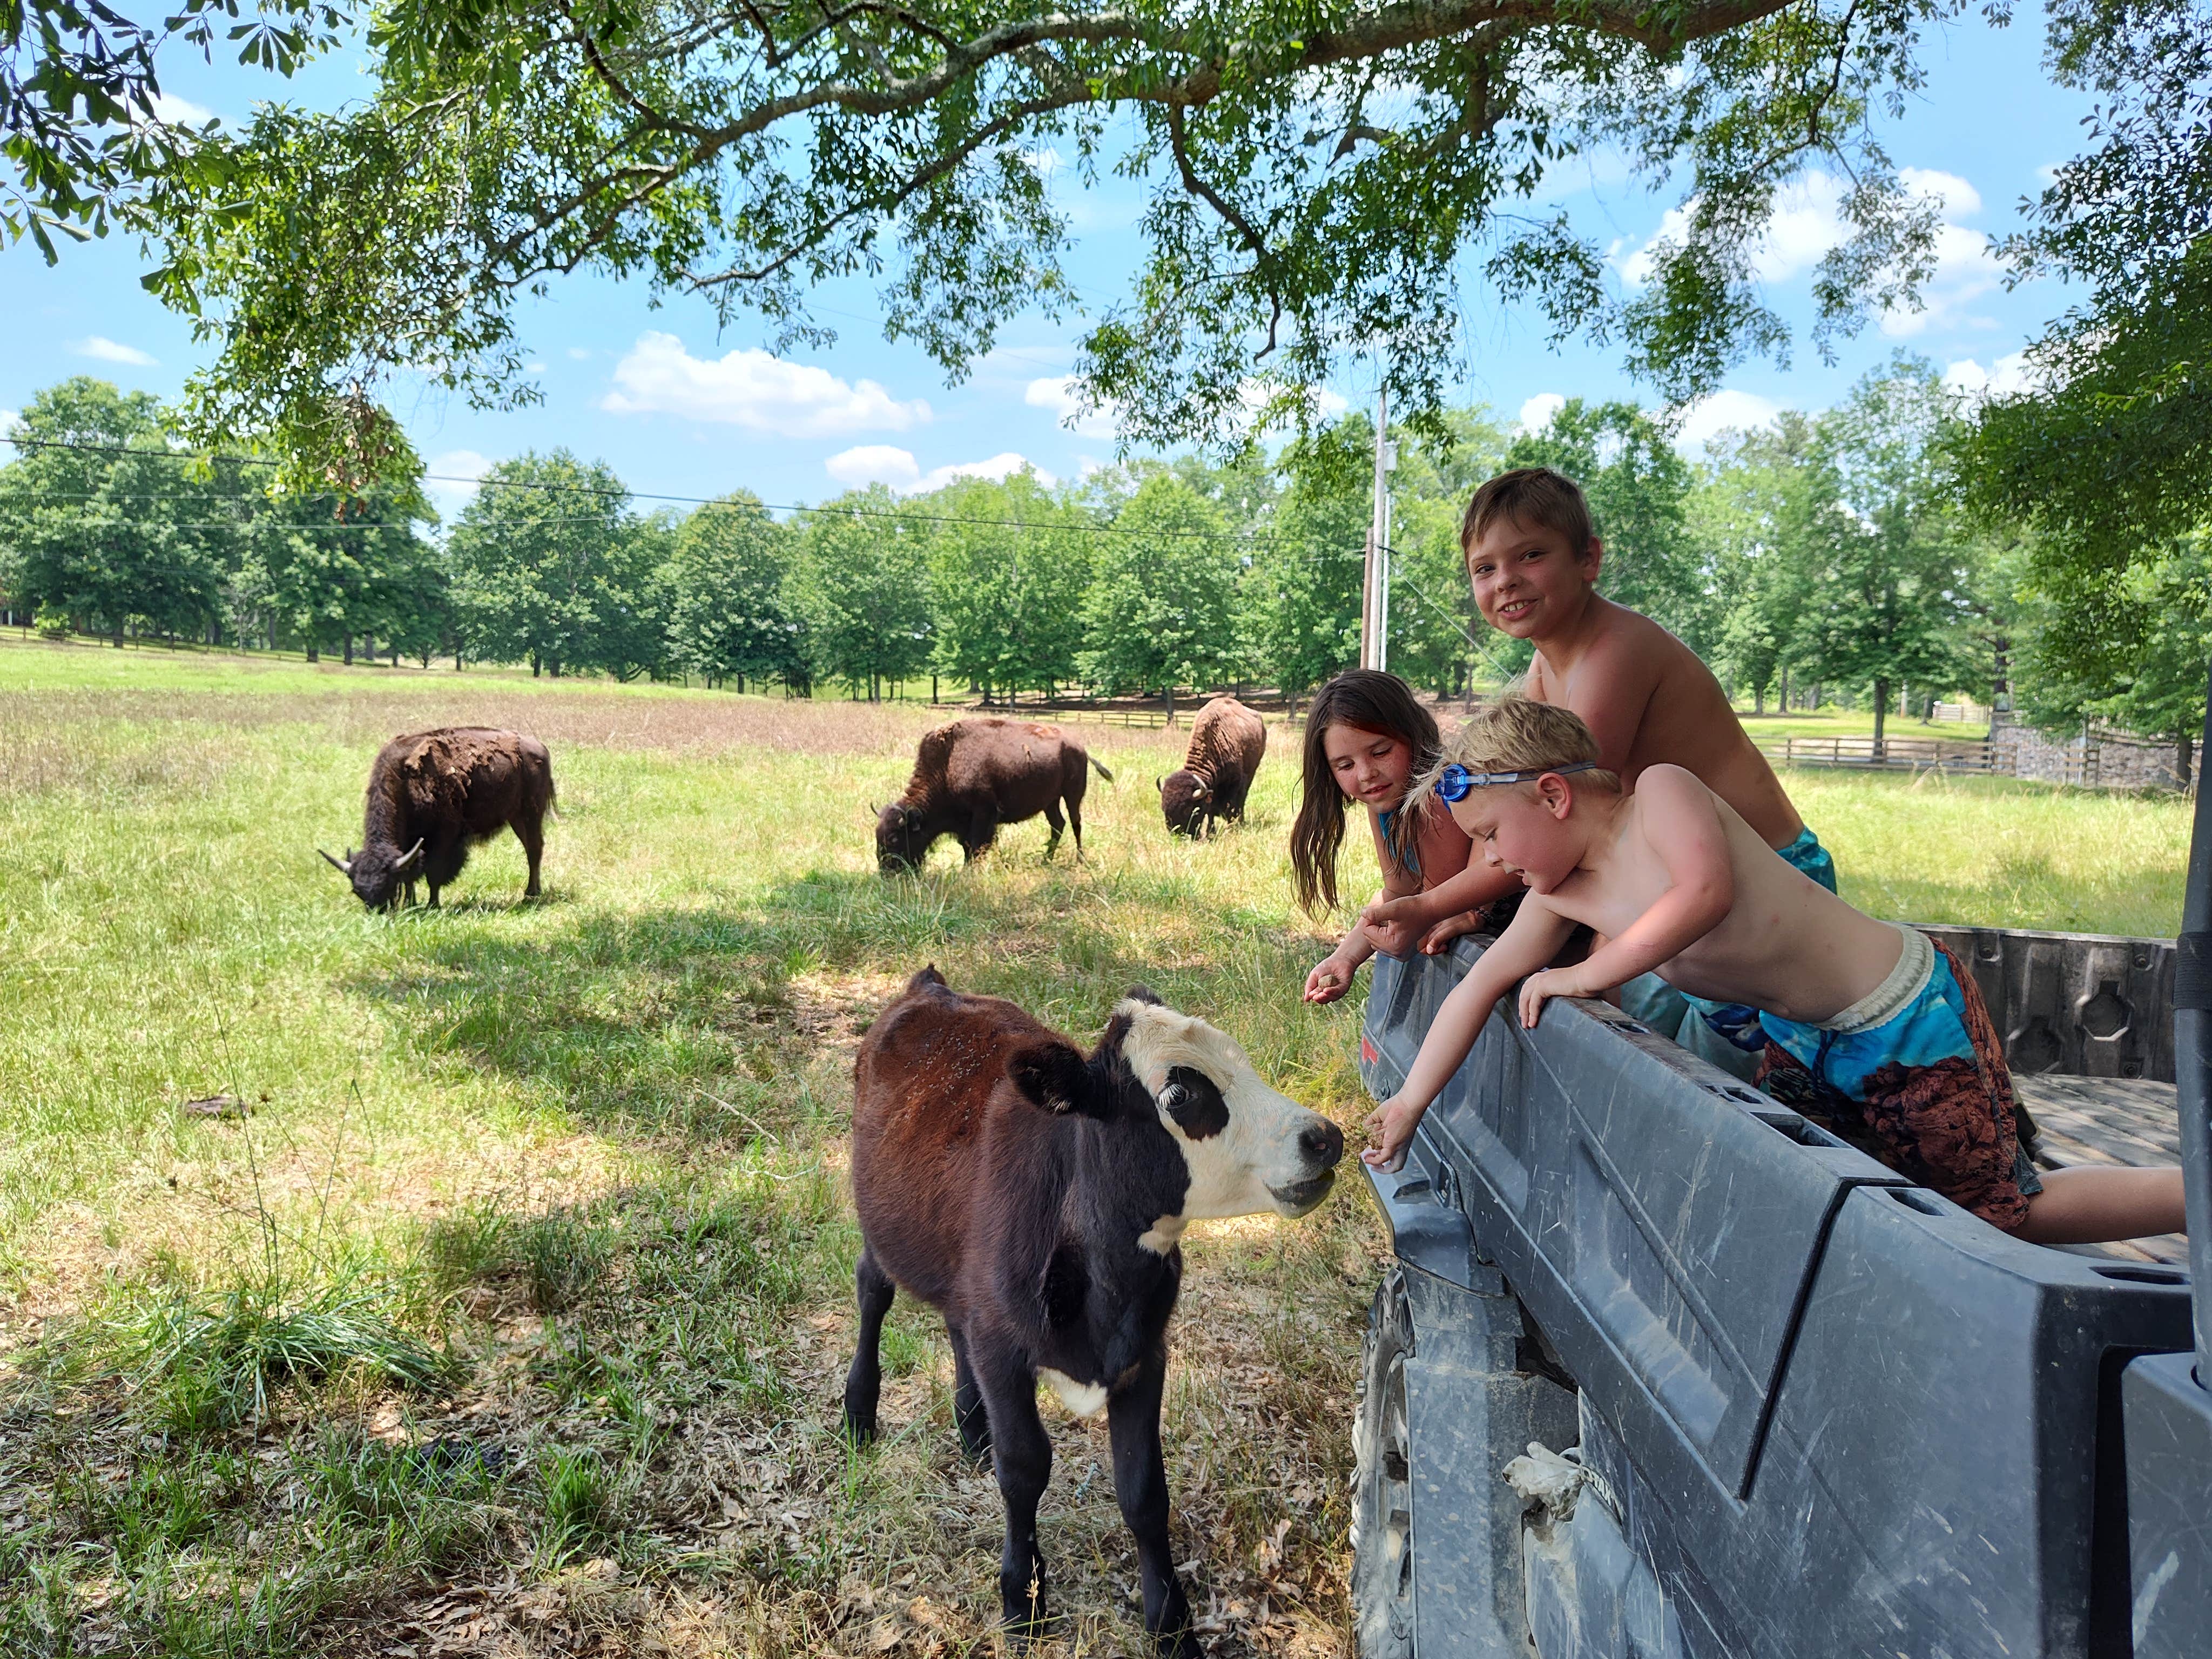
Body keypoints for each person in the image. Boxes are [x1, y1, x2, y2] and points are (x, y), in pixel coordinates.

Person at [1361, 697, 2187, 1247]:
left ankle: (2194, 1199)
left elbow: (1705, 892)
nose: (1492, 860)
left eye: (1493, 835)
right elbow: (1479, 985)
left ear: (1554, 795)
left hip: (1900, 1014)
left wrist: (1587, 975)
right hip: (1805, 1040)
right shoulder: (1562, 893)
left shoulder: (1662, 794)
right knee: (1825, 1192)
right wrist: (1409, 1102)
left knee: (2006, 1214)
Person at [1359, 465, 1834, 1076]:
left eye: (1530, 555)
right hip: (1667, 885)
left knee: (1767, 1068)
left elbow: (1560, 823)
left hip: (1761, 877)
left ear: (1589, 560)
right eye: (1484, 568)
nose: (1505, 581)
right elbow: (1507, 813)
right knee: (1665, 1046)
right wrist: (1454, 905)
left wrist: (1430, 906)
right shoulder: (1540, 673)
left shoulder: (1616, 654)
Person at [1292, 671, 1489, 1006]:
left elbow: (1457, 885)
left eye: (1381, 751)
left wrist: (1469, 915)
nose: (1366, 774)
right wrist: (1346, 957)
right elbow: (1400, 891)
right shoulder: (1383, 804)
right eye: (1345, 765)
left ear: (1411, 734)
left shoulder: (1445, 794)